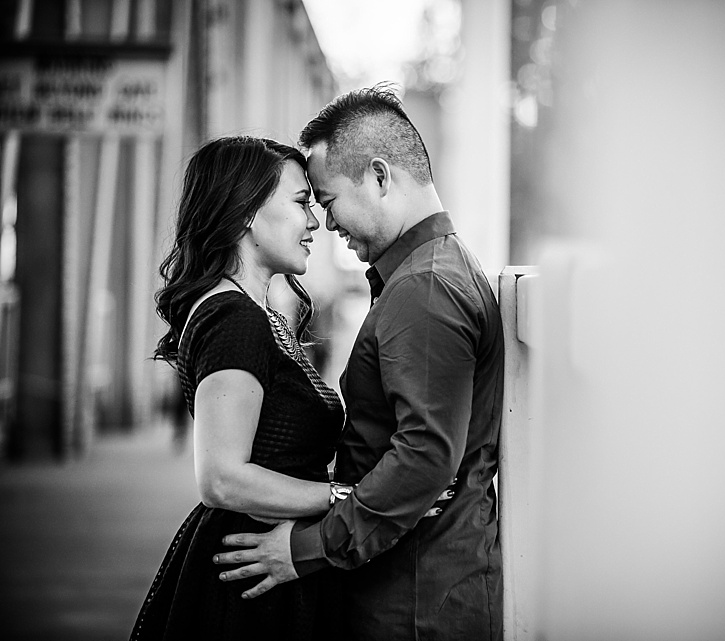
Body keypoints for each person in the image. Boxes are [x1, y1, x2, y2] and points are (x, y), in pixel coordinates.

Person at [216, 85, 505, 640]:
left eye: (324, 201)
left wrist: (304, 550)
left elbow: (424, 457)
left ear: (378, 177)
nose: (324, 223)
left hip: (415, 604)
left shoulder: (425, 288)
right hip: (418, 586)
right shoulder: (431, 269)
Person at [130, 136, 348, 640]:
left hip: (262, 563)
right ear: (247, 211)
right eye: (300, 204)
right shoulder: (234, 319)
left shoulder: (252, 314)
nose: (315, 223)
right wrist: (347, 498)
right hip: (250, 578)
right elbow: (222, 478)